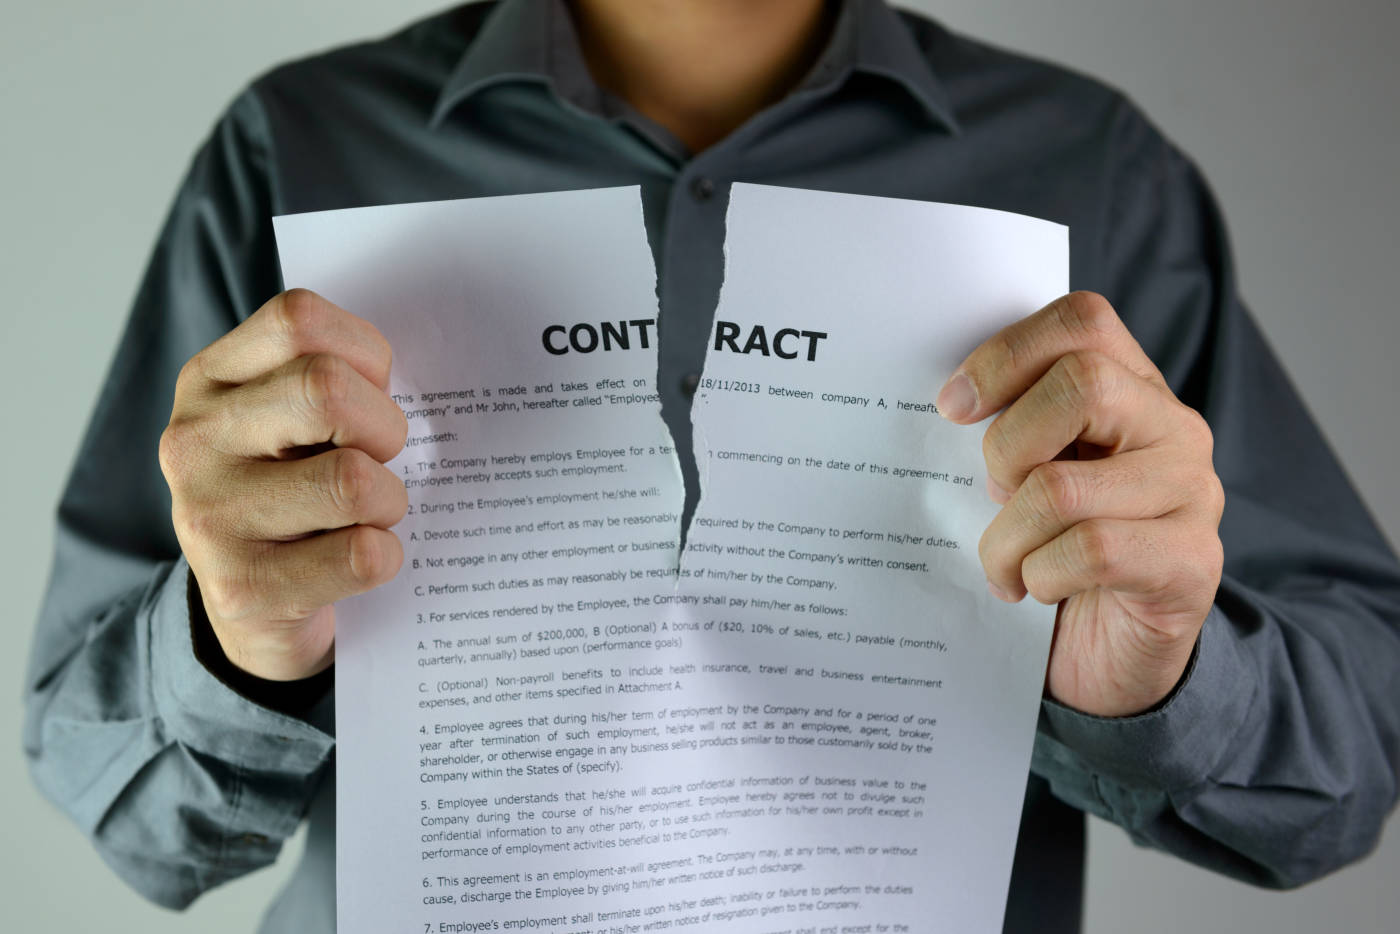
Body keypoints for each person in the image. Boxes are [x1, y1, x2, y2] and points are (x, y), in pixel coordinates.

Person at [23, 1, 1400, 932]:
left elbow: (1352, 768)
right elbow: (121, 808)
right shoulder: (295, 145)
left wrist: (1163, 676)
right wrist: (238, 646)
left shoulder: (1099, 173)